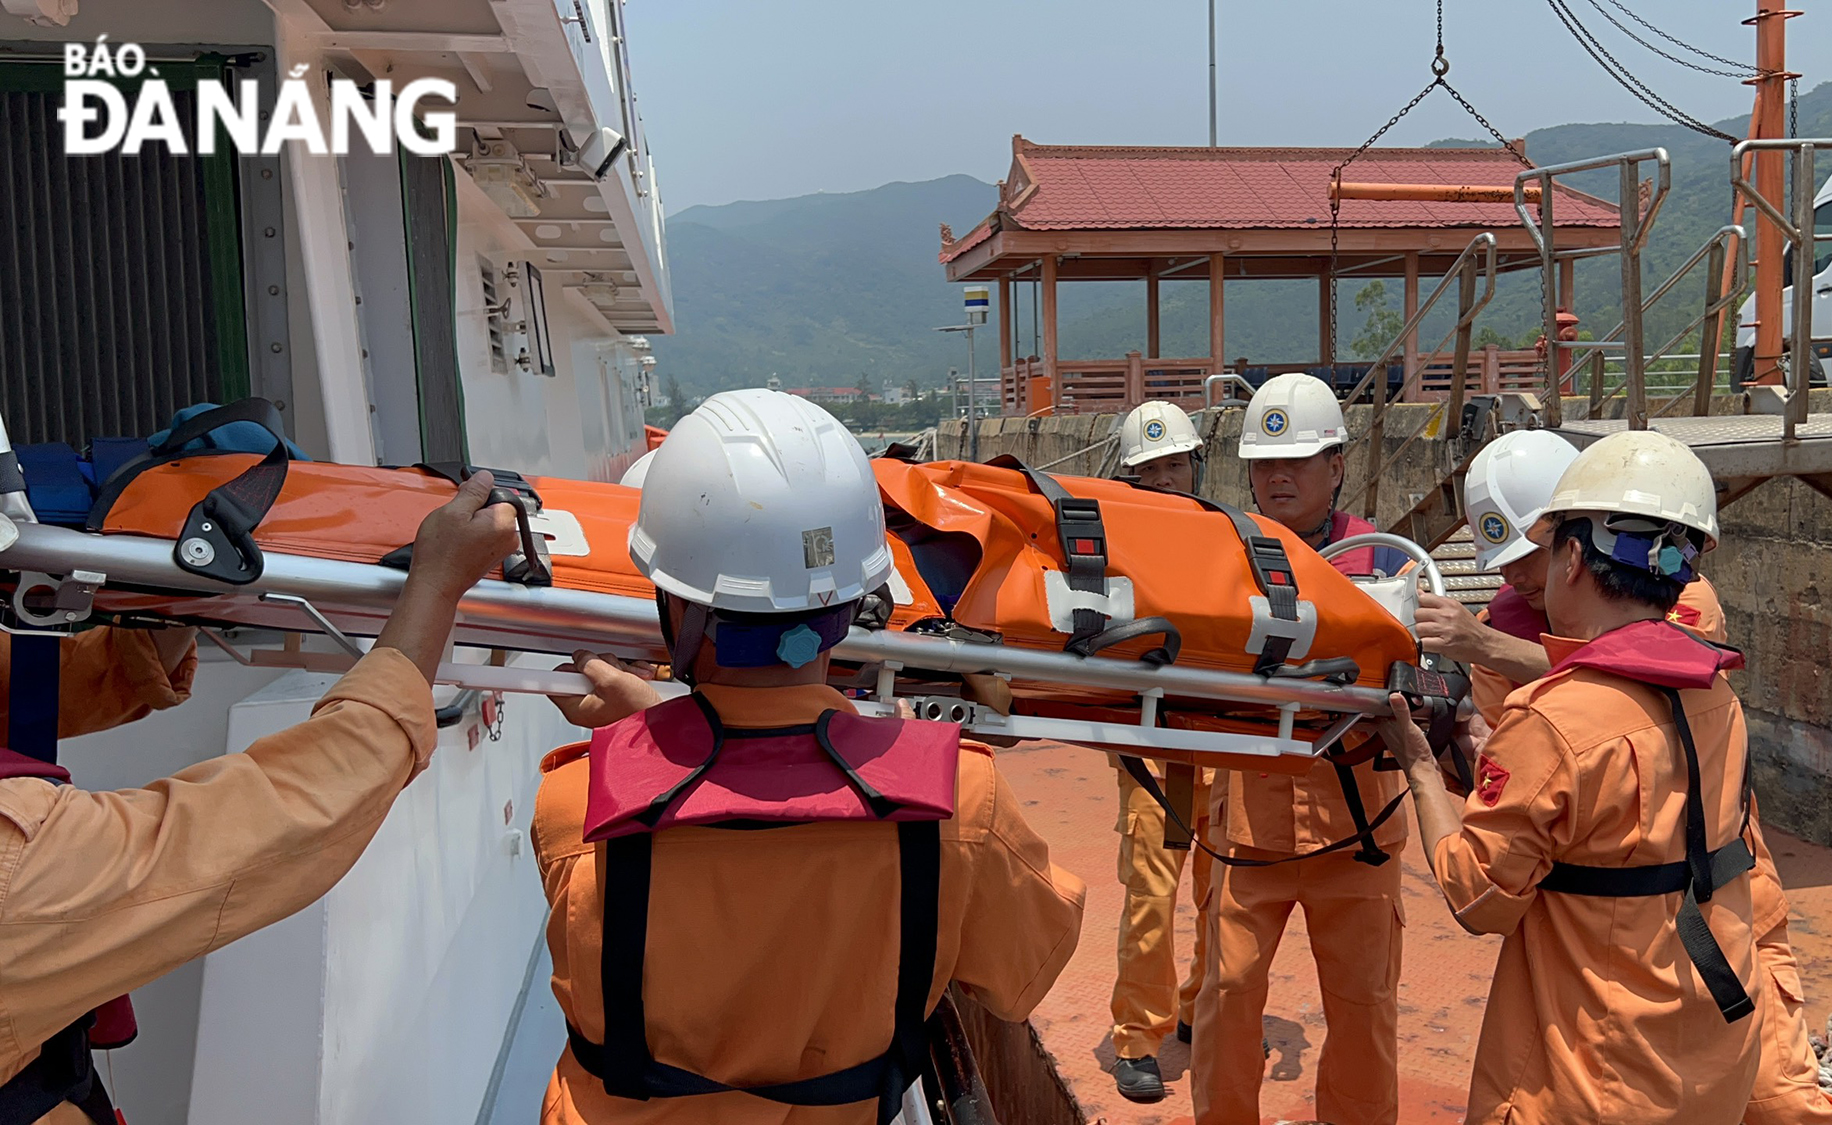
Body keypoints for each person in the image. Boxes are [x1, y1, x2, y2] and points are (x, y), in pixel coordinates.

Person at [532, 389, 1086, 1125]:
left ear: (672, 605)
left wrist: (657, 723)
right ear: (853, 600)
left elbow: (719, 792)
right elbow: (1022, 974)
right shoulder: (958, 799)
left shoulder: (581, 802)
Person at [0, 473, 519, 1124]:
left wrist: (175, 602)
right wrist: (437, 586)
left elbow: (41, 683)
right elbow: (299, 809)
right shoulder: (17, 872)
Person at [1414, 429, 1832, 1123]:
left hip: (1591, 1073)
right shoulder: (1715, 692)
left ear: (1572, 554)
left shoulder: (1552, 718)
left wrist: (1420, 768)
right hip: (1703, 1029)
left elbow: (1479, 896)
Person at [1191, 372, 1409, 1125]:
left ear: (1337, 464)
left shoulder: (1385, 567)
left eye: (1296, 460)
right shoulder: (1219, 558)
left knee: (1363, 1009)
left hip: (1358, 829)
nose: (1277, 476)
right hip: (1251, 821)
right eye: (1263, 464)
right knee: (1227, 995)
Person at [1412, 428, 1722, 727]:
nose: (1511, 576)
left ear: (1573, 541)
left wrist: (1489, 647)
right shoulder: (1497, 624)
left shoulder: (1677, 594)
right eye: (1501, 562)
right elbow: (1495, 742)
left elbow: (1658, 676)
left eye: (1527, 554)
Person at [1106, 401, 1213, 1102]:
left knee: (1225, 892)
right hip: (1155, 749)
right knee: (1153, 890)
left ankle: (1200, 1007)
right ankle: (1137, 1038)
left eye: (1173, 464)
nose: (1164, 480)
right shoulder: (1110, 551)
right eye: (1149, 470)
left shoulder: (1228, 537)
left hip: (1228, 741)